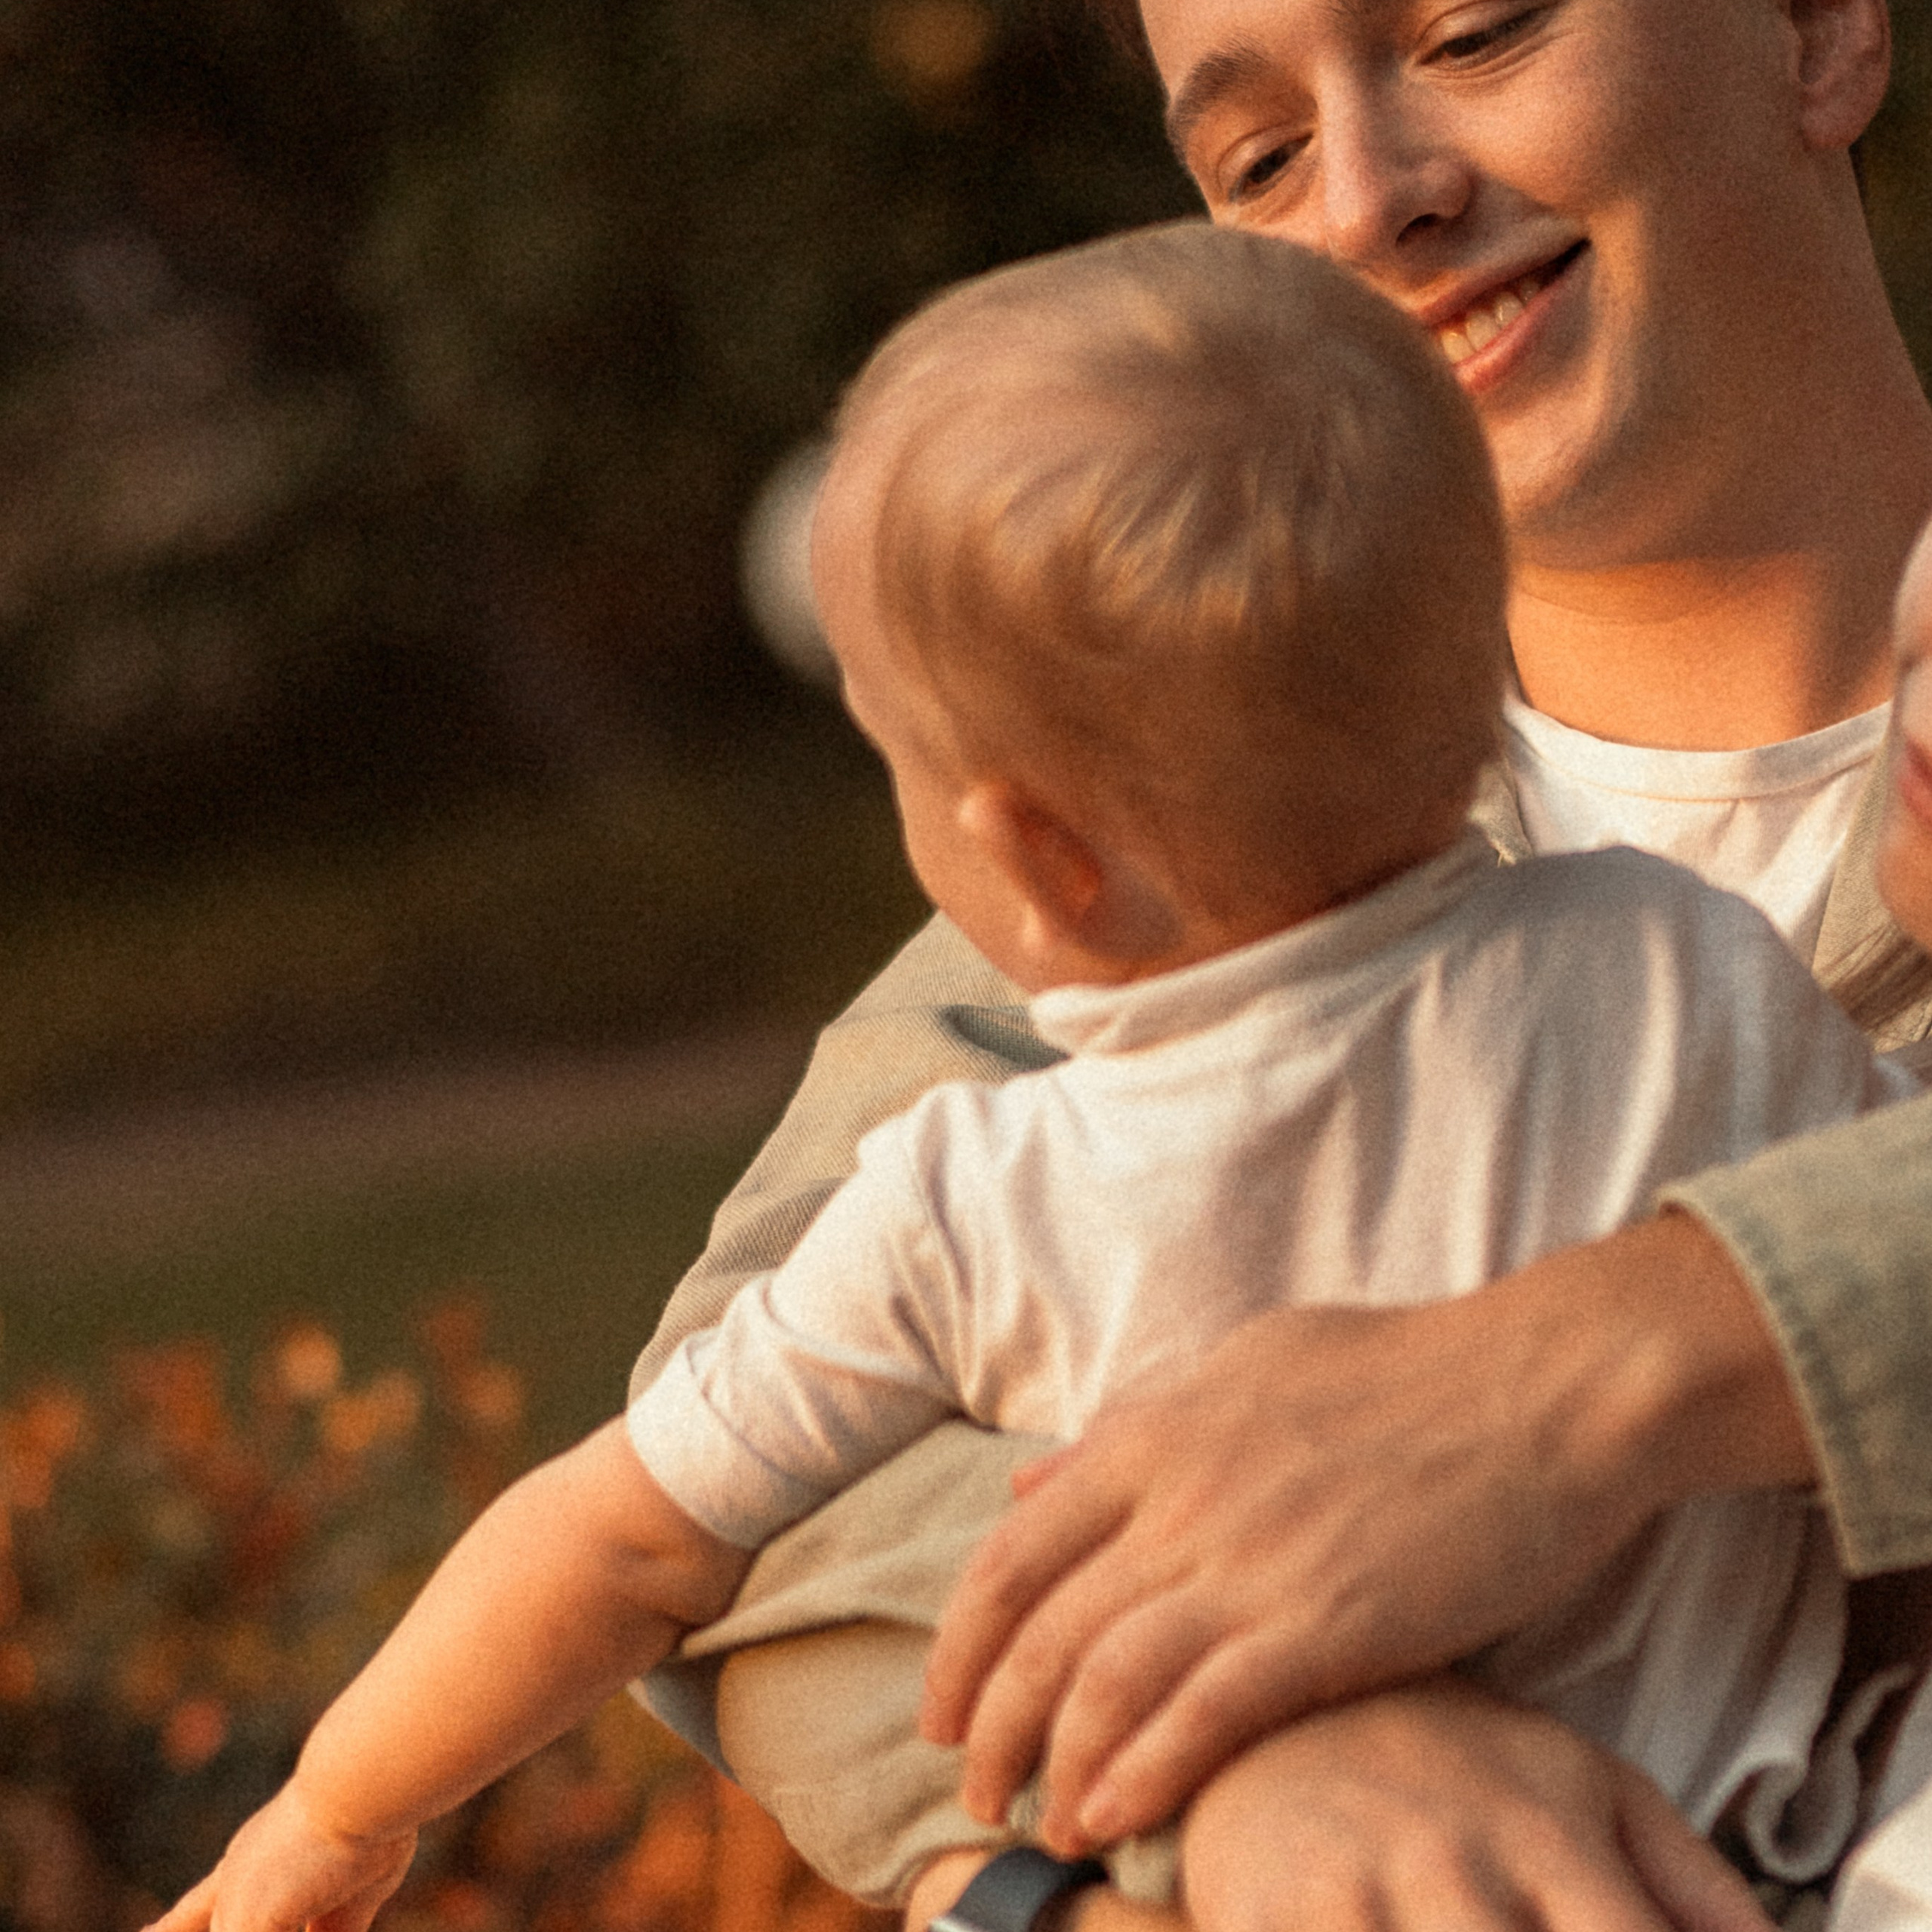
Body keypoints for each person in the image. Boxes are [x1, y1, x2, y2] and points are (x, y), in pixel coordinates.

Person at [147, 220, 1911, 1932]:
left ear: (1036, 858)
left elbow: (621, 1547)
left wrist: (336, 1808)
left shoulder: (970, 1205)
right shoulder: (1688, 967)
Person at [629, 3, 1932, 1926]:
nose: (1369, 199)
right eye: (1258, 158)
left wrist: (1605, 1362)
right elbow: (732, 1498)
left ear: (1815, 29)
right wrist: (1256, 1751)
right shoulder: (1139, 873)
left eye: (1475, 31)